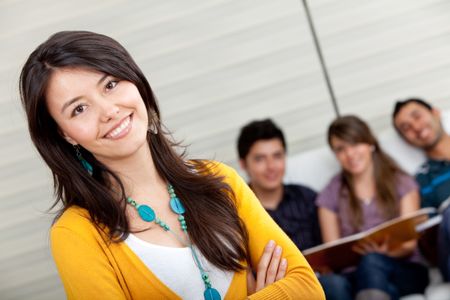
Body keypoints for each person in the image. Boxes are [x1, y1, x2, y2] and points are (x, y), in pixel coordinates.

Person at [19, 31, 325, 300]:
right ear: (64, 134)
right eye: (79, 108)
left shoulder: (219, 180)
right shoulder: (76, 233)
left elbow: (307, 288)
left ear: (135, 81)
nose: (108, 111)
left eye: (111, 84)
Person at [316, 115, 429, 300]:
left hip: (404, 269)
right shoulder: (330, 193)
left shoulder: (401, 182)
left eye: (355, 144)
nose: (350, 154)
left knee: (372, 261)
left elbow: (409, 245)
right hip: (357, 276)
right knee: (334, 284)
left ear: (370, 143)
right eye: (340, 149)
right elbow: (333, 252)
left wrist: (386, 252)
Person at [237, 118, 322, 251]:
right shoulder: (236, 213)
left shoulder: (307, 198)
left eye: (277, 156)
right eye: (260, 159)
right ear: (243, 164)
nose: (271, 166)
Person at [393, 98, 450, 282]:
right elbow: (432, 247)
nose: (415, 127)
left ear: (436, 112)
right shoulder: (420, 181)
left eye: (417, 116)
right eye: (406, 128)